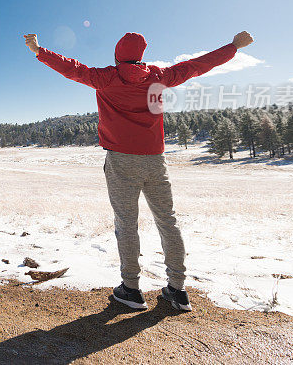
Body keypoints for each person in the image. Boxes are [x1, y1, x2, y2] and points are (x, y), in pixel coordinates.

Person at [23, 30, 254, 311]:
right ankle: (177, 290)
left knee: (126, 223)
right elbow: (196, 66)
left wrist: (39, 50)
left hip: (121, 160)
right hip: (155, 159)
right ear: (141, 54)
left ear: (118, 53)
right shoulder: (158, 76)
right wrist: (232, 47)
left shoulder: (105, 77)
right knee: (168, 221)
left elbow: (71, 68)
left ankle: (131, 289)